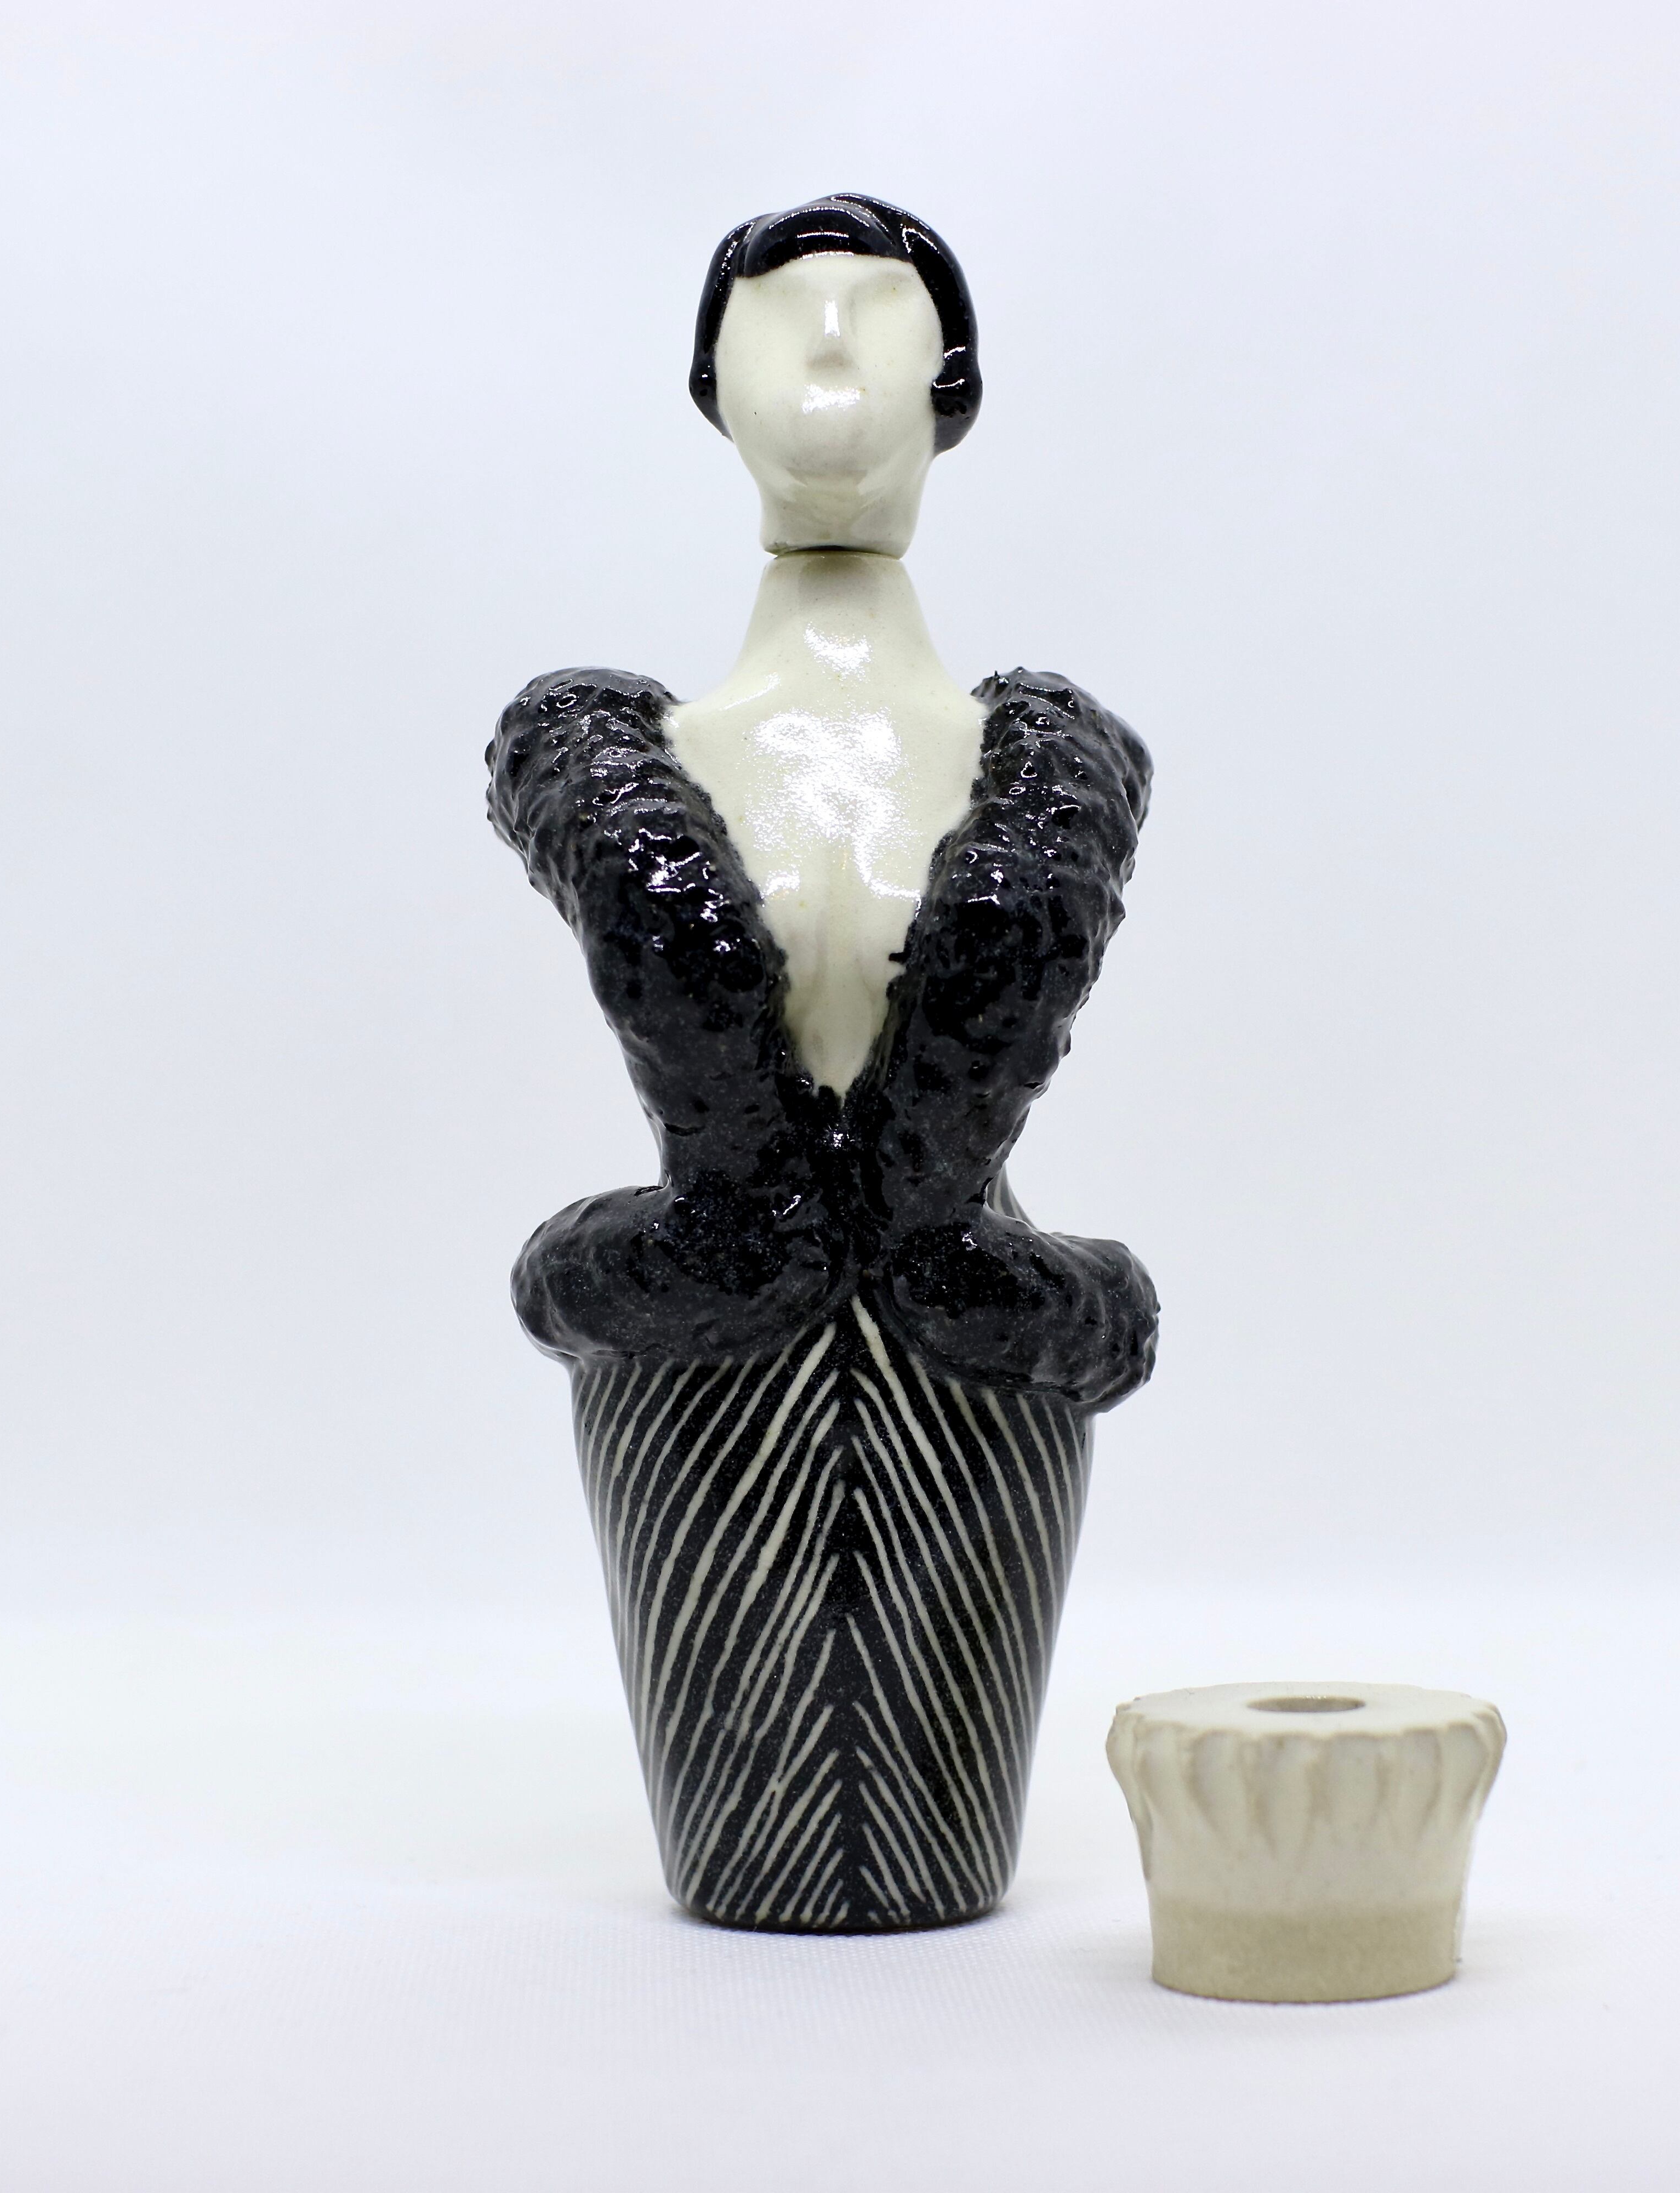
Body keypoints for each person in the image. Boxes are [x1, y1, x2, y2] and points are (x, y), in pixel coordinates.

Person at [488, 196, 1157, 1932]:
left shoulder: (1051, 764)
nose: (835, 348)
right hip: (692, 1379)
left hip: (984, 1369)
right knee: (741, 1838)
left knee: (941, 1830)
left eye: (881, 310)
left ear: (957, 383)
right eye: (785, 315)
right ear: (710, 384)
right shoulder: (612, 756)